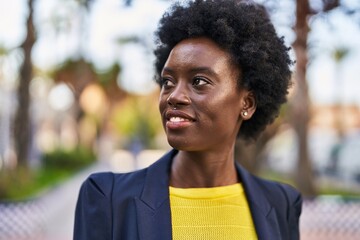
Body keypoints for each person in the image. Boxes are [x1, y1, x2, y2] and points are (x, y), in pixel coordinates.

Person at [73, 0, 302, 239]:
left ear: (247, 104)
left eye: (199, 81)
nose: (174, 96)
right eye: (168, 82)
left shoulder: (281, 204)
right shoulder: (108, 199)